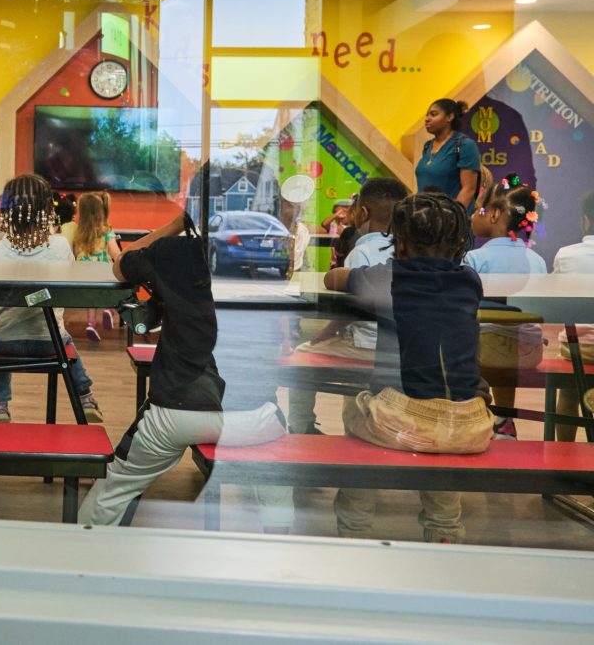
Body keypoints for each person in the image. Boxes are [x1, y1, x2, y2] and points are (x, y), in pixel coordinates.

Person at [78, 211, 289, 529]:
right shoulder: (274, 259)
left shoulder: (175, 253)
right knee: (274, 475)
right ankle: (281, 544)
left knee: (116, 486)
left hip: (179, 409)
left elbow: (121, 264)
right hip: (257, 418)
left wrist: (175, 226)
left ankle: (84, 551)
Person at [325, 192, 493, 544]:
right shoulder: (469, 282)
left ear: (397, 241)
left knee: (353, 405)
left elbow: (334, 280)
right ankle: (444, 533)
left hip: (402, 422)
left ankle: (354, 532)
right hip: (470, 425)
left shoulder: (386, 278)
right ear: (460, 242)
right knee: (441, 445)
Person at [0, 174, 102, 424]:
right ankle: (85, 396)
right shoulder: (61, 247)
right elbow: (69, 290)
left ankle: (0, 405)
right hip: (50, 341)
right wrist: (38, 298)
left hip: (7, 343)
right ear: (47, 210)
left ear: (8, 211)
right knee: (67, 341)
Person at [288, 177, 409, 435]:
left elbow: (354, 309)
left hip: (365, 344)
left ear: (362, 213)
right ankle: (357, 431)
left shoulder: (360, 252)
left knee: (301, 355)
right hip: (399, 345)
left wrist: (326, 332)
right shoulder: (407, 249)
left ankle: (301, 424)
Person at [464, 175, 547, 439]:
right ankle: (505, 419)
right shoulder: (537, 260)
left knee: (471, 332)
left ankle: (474, 414)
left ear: (495, 215)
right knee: (506, 330)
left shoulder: (475, 258)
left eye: (480, 209)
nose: (475, 215)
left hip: (487, 350)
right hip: (529, 350)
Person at [552, 189, 594, 440]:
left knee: (568, 392)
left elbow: (556, 303)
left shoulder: (565, 255)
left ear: (585, 221)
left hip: (579, 350)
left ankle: (563, 450)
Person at [416, 98, 480, 211]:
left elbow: (469, 189)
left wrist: (453, 217)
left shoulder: (465, 145)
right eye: (427, 115)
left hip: (451, 220)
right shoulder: (427, 146)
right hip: (427, 217)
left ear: (450, 117)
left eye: (433, 114)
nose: (427, 119)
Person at [73, 192, 121, 342]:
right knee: (111, 292)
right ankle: (110, 309)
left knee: (91, 298)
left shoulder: (78, 231)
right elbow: (115, 251)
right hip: (103, 268)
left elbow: (75, 252)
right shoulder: (106, 230)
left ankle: (91, 323)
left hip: (84, 270)